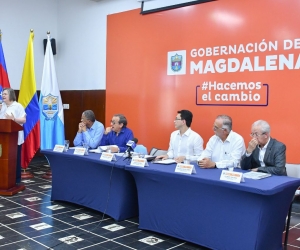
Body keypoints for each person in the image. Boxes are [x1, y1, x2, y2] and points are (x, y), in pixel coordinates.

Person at [0, 88, 26, 183]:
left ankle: (16, 179)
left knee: (14, 158)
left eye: (5, 94)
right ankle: (4, 178)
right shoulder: (2, 105)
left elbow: (23, 120)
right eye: (2, 94)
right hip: (3, 138)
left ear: (11, 95)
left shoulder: (18, 106)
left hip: (15, 138)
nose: (3, 96)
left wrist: (13, 119)